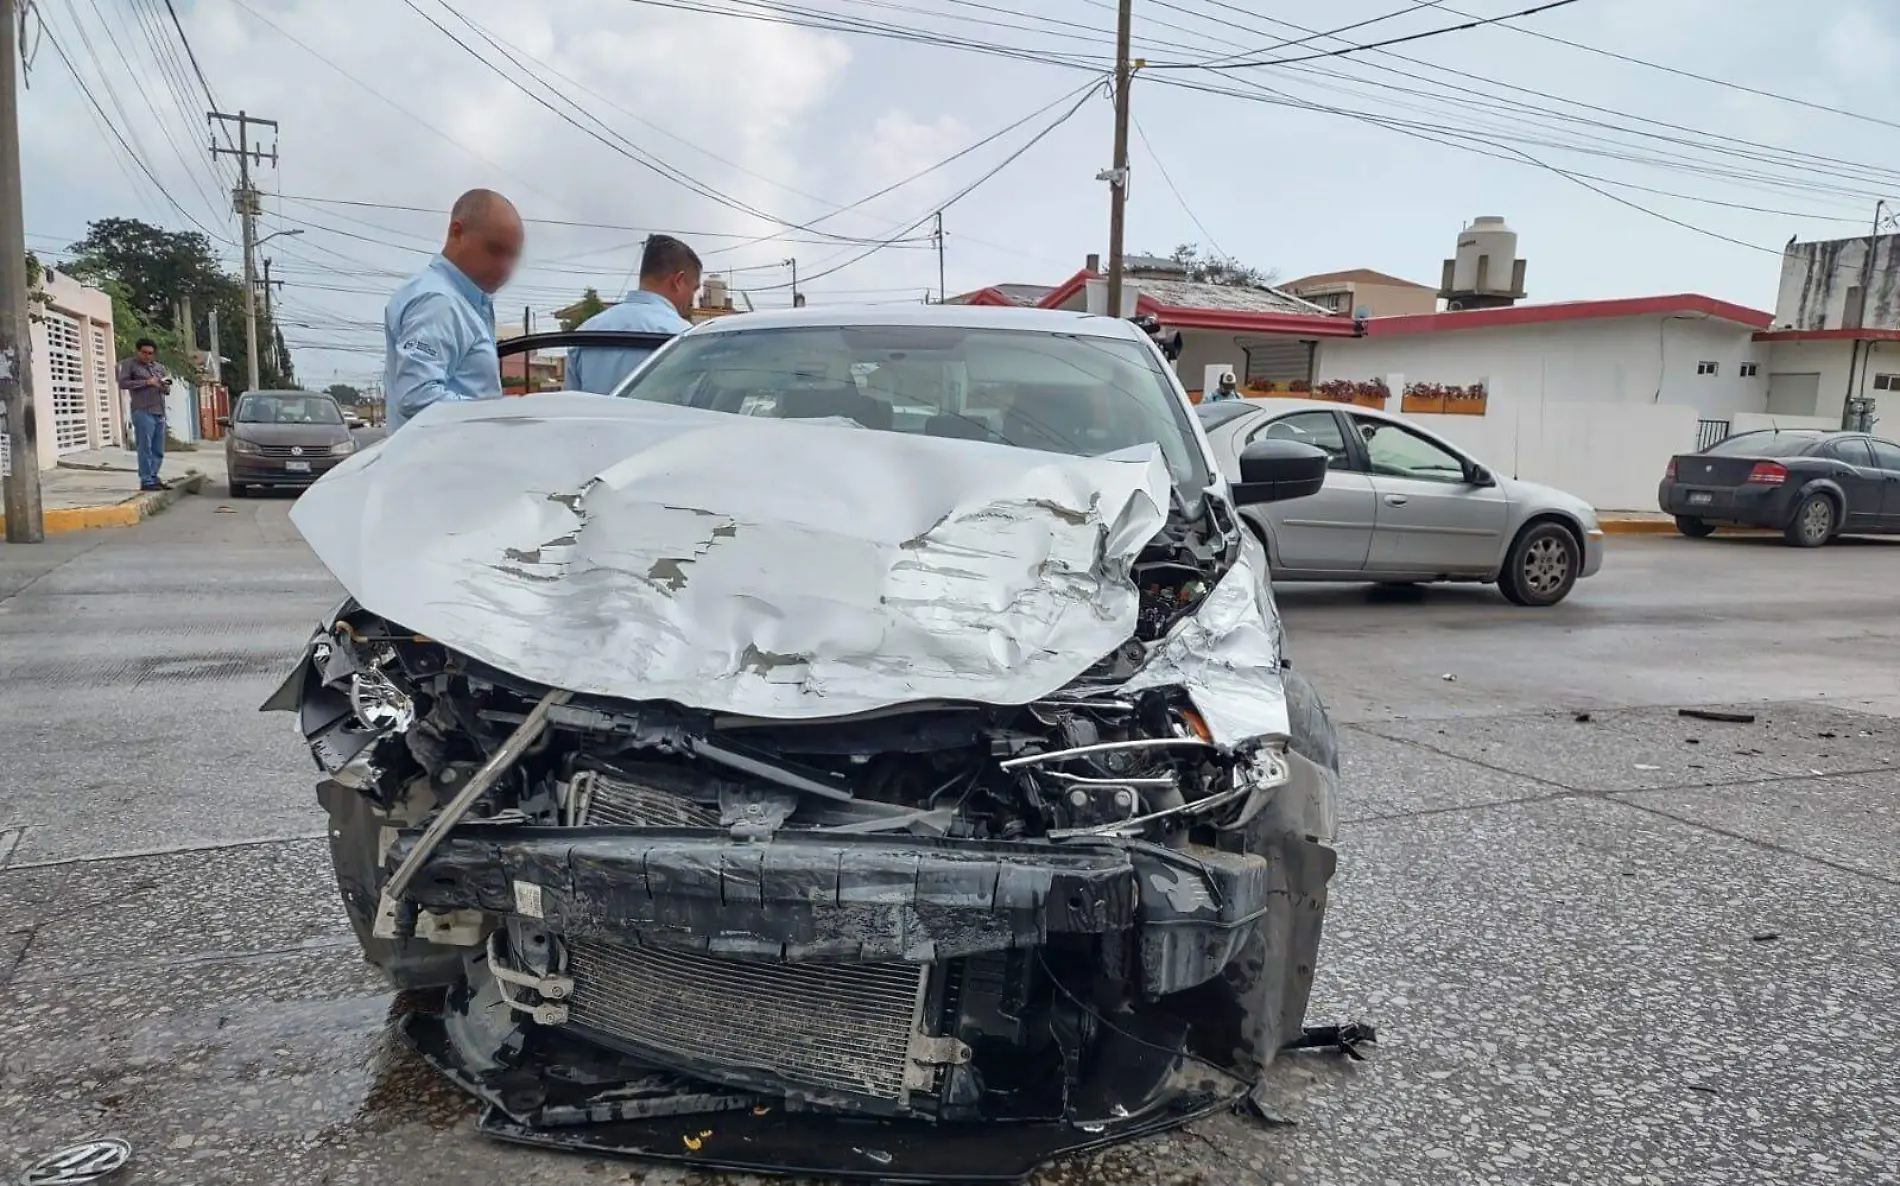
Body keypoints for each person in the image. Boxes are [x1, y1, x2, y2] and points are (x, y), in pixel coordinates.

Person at [383, 188, 524, 433]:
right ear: (456, 233)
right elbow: (418, 397)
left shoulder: (463, 302)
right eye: (494, 250)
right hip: (440, 465)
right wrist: (500, 414)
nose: (504, 268)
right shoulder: (439, 302)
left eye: (512, 257)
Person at [565, 235, 701, 396]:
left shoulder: (585, 332)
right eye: (693, 289)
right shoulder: (688, 338)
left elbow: (571, 405)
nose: (692, 299)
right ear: (678, 280)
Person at [117, 338, 171, 491]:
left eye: (151, 353)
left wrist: (162, 384)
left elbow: (167, 390)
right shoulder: (130, 365)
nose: (148, 356)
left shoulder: (159, 368)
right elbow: (123, 383)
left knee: (158, 448)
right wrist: (146, 382)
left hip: (159, 411)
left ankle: (154, 476)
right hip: (142, 410)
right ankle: (146, 480)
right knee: (145, 447)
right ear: (138, 351)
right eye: (145, 353)